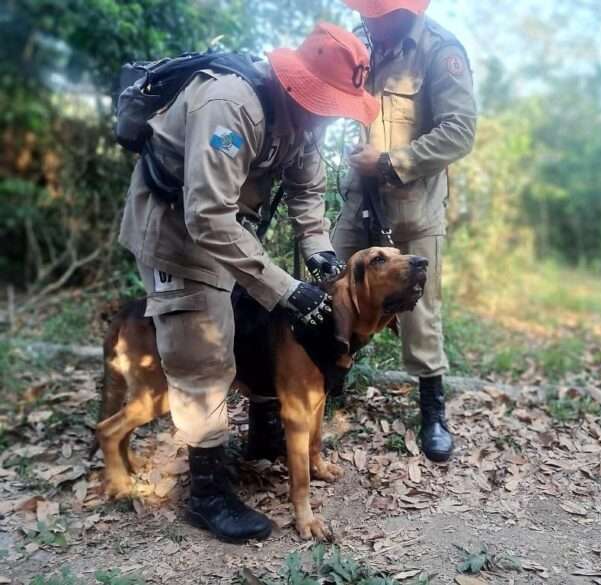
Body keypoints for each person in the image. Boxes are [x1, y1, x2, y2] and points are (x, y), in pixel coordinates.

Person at [117, 23, 379, 542]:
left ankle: (263, 436)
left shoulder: (305, 125)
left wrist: (323, 259)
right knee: (203, 351)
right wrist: (286, 287)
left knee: (258, 324)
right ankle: (207, 493)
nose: (326, 116)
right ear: (295, 85)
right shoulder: (229, 105)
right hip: (175, 227)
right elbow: (207, 216)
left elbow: (306, 199)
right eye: (322, 103)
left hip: (225, 229)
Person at [332, 0, 477, 462]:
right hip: (359, 201)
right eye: (368, 14)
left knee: (420, 309)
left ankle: (432, 410)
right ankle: (330, 378)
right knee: (330, 286)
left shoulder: (440, 51)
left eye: (382, 17)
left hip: (412, 207)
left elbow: (459, 131)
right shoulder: (359, 41)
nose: (373, 24)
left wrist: (394, 162)